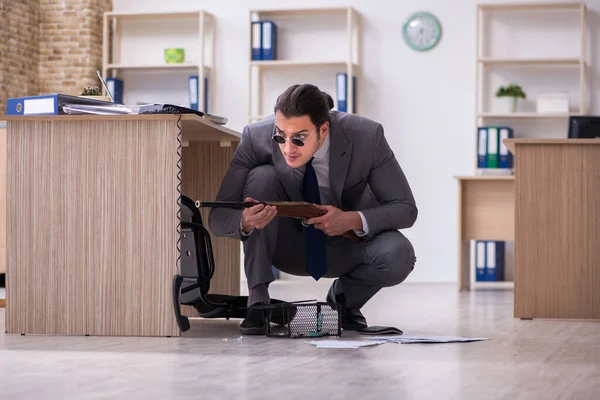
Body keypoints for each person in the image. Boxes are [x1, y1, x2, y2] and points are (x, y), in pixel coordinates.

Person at [208, 83, 417, 335]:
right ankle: (258, 300)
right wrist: (245, 221)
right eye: (280, 136)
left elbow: (405, 208)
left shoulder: (367, 135)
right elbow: (218, 218)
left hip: (345, 246)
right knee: (261, 177)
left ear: (324, 129)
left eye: (299, 138)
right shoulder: (255, 137)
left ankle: (343, 303)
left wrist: (351, 220)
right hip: (285, 246)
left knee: (399, 253)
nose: (287, 148)